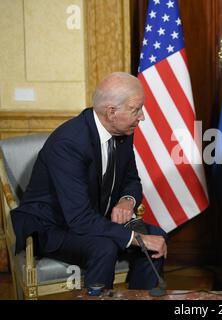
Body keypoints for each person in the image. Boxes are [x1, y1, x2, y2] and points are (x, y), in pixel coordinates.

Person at [11, 72, 167, 290]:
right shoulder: (69, 143)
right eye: (136, 109)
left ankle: (140, 296)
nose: (142, 117)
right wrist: (134, 238)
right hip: (53, 227)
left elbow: (131, 179)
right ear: (111, 112)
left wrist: (127, 200)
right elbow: (79, 218)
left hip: (90, 217)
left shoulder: (124, 131)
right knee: (104, 247)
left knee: (156, 237)